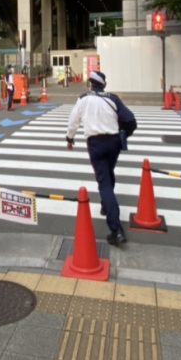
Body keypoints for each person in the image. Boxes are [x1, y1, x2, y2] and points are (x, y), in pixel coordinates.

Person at [65, 70, 137, 246]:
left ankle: (116, 229)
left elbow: (73, 120)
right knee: (108, 172)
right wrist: (124, 134)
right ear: (103, 84)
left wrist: (70, 138)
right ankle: (107, 205)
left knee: (104, 182)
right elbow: (131, 121)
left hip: (95, 143)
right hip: (113, 143)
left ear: (90, 83)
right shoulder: (113, 98)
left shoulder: (83, 98)